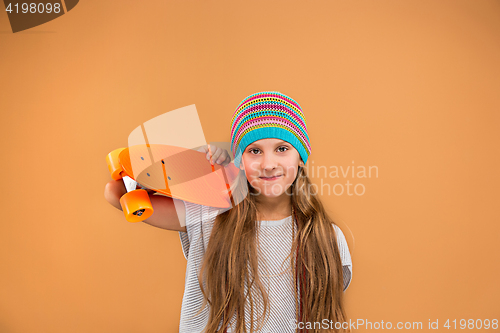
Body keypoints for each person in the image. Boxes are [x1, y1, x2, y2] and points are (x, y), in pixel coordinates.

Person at [104, 91, 353, 333]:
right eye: (254, 151)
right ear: (239, 160)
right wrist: (193, 167)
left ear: (301, 157)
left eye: (282, 149)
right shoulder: (208, 214)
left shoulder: (327, 237)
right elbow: (116, 192)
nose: (268, 164)